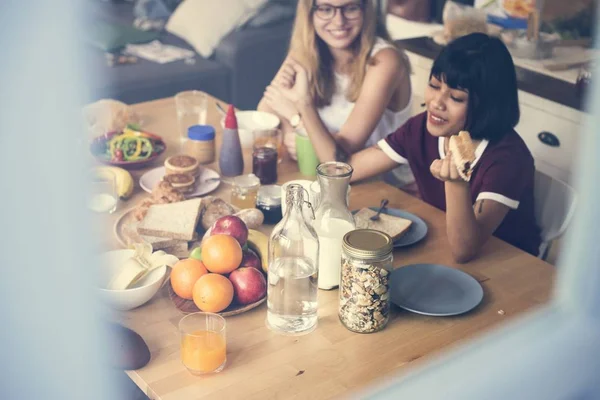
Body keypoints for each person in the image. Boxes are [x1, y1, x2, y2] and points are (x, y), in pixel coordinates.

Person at [276, 32, 541, 262]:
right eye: (434, 86)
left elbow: (464, 249)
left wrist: (457, 183)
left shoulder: (506, 158)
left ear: (487, 104)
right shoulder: (420, 129)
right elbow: (349, 170)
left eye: (456, 97)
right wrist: (302, 106)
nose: (437, 102)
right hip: (441, 248)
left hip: (510, 268)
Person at [258, 0, 416, 190]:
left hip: (385, 188)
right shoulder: (306, 51)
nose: (339, 21)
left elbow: (338, 157)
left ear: (365, 9)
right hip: (326, 180)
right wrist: (299, 136)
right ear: (310, 13)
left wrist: (297, 117)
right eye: (325, 9)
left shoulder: (385, 61)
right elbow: (266, 112)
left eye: (350, 8)